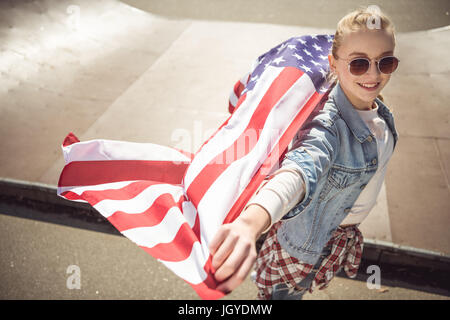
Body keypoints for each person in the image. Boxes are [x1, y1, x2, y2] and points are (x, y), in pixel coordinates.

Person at [208, 6, 400, 299]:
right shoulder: (327, 127)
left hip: (331, 234)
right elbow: (301, 169)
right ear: (333, 65)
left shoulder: (380, 113)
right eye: (359, 64)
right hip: (300, 245)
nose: (374, 74)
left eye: (385, 62)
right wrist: (249, 224)